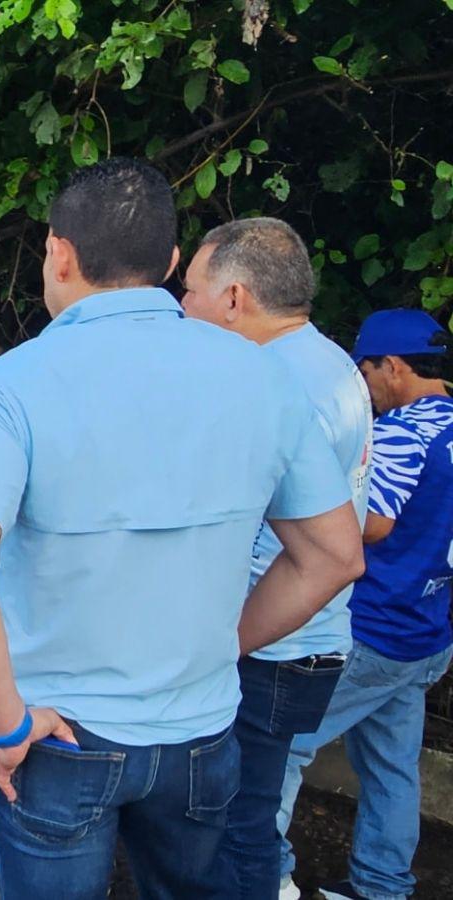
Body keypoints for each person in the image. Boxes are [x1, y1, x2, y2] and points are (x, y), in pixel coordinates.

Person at [0, 158, 365, 900]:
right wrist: (223, 647)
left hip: (59, 741)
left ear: (58, 253)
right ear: (167, 263)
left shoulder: (4, 389)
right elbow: (333, 556)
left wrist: (6, 725)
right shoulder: (265, 377)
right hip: (201, 735)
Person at [181, 217, 374, 899]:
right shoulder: (331, 364)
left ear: (234, 298)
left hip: (270, 644)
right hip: (308, 639)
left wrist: (220, 643)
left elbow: (307, 549)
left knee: (237, 825)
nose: (183, 308)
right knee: (251, 817)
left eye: (191, 291)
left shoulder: (273, 384)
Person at [277, 310, 453, 900]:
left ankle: (266, 877)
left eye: (367, 371)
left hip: (375, 630)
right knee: (391, 763)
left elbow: (370, 526)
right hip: (429, 631)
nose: (365, 387)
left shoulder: (408, 429)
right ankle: (381, 887)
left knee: (284, 747)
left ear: (393, 367)